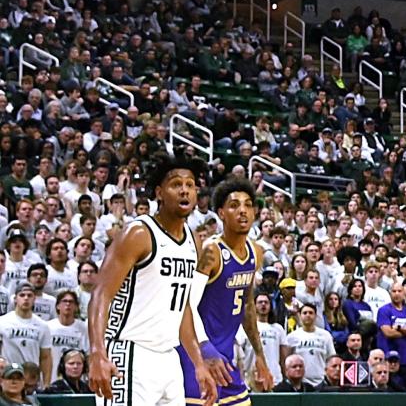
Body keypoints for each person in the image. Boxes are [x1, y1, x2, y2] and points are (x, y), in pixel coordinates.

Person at [86, 154, 224, 406]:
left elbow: (181, 306)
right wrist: (97, 351)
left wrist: (197, 362)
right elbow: (101, 294)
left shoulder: (193, 241)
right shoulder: (138, 233)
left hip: (168, 358)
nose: (184, 190)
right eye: (176, 184)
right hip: (129, 352)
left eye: (190, 185)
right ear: (159, 193)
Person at [178, 181, 273, 406]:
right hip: (195, 358)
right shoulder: (211, 252)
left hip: (226, 360)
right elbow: (186, 305)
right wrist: (204, 347)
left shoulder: (256, 252)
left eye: (248, 205)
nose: (242, 210)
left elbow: (247, 306)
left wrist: (259, 355)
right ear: (221, 213)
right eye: (234, 205)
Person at [0, 285, 51, 388]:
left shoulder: (43, 326)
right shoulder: (2, 322)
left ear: (34, 299)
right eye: (22, 295)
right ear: (15, 299)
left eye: (29, 295)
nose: (26, 298)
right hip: (9, 376)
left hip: (31, 379)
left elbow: (45, 357)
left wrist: (46, 383)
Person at [233, 293, 284, 389]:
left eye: (266, 302)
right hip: (251, 380)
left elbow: (283, 356)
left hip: (275, 379)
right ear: (254, 305)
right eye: (260, 302)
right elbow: (239, 355)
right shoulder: (245, 328)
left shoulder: (278, 328)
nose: (263, 304)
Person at [281, 305, 334, 387]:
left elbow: (331, 359)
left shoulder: (325, 335)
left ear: (316, 316)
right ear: (300, 315)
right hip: (299, 383)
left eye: (311, 313)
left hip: (321, 382)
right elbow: (286, 361)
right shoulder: (292, 337)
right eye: (305, 313)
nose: (308, 315)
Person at [44, 292, 87, 369]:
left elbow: (88, 354)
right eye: (64, 301)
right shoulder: (47, 327)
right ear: (57, 306)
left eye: (71, 302)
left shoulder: (84, 328)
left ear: (76, 307)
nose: (68, 304)